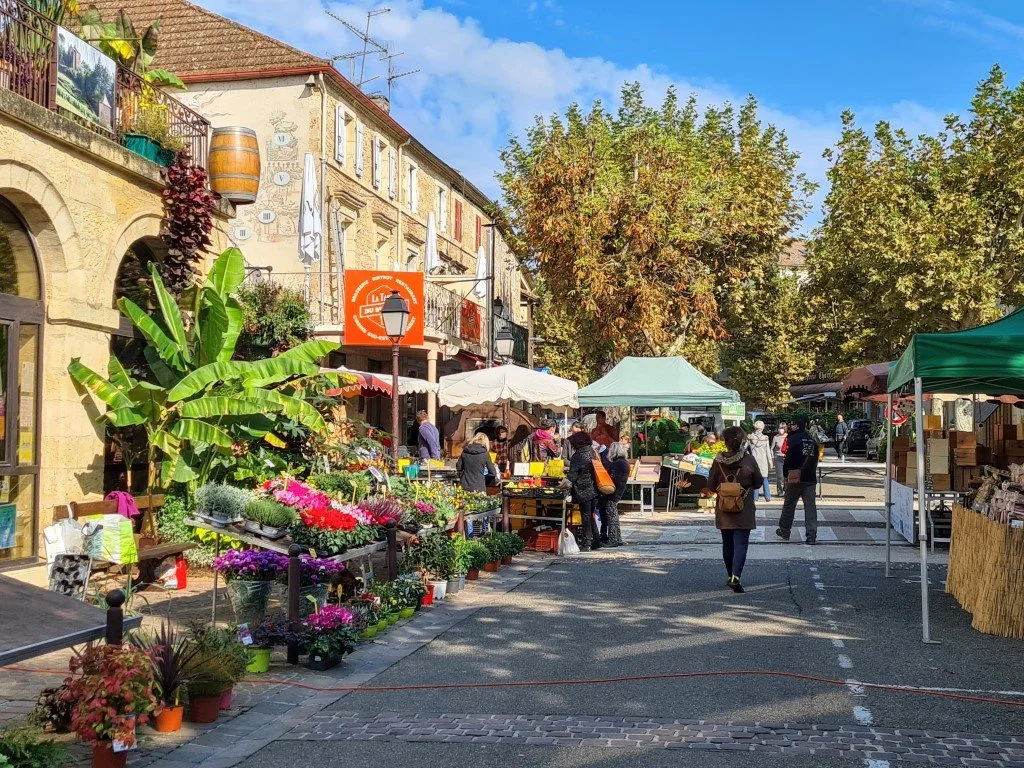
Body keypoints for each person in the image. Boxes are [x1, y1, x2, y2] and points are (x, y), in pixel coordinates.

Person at [708, 426, 762, 593]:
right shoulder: (748, 460)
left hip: (724, 506)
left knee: (727, 542)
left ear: (726, 442)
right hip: (743, 506)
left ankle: (729, 575)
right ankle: (736, 576)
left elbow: (710, 485)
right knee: (740, 543)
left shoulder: (718, 461)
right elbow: (759, 482)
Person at [777, 416, 819, 544]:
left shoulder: (792, 439)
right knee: (810, 507)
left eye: (793, 424)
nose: (791, 426)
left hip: (794, 477)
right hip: (810, 478)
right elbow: (815, 458)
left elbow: (788, 460)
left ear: (798, 426)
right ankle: (811, 535)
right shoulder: (812, 440)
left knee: (789, 504)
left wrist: (785, 475)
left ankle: (785, 530)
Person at [564, 430, 600, 551]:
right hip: (596, 488)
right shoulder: (593, 452)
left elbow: (572, 476)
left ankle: (586, 543)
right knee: (590, 515)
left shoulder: (578, 455)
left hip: (583, 490)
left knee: (586, 516)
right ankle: (596, 540)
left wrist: (563, 485)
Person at [598, 440, 629, 546]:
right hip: (619, 491)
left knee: (611, 516)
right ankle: (618, 538)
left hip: (613, 493)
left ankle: (613, 540)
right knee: (614, 516)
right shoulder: (624, 462)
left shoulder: (617, 463)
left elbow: (612, 478)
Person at [748, 420, 773, 502]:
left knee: (754, 479)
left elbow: (746, 449)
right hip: (763, 461)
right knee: (764, 478)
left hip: (753, 460)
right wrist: (770, 462)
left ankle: (755, 497)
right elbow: (768, 451)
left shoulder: (750, 437)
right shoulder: (765, 438)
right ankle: (768, 496)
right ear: (762, 428)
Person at [771, 423, 788, 495]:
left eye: (782, 428)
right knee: (779, 476)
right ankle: (779, 491)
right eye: (779, 428)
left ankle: (786, 489)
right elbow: (771, 448)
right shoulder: (775, 437)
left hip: (787, 458)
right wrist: (772, 457)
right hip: (778, 458)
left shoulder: (788, 436)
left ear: (785, 428)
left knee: (786, 476)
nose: (780, 429)